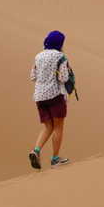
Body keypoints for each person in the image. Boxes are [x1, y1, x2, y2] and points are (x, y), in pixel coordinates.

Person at [29, 30, 72, 169]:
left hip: (39, 96)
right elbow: (63, 78)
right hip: (55, 95)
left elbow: (33, 76)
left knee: (48, 126)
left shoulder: (38, 56)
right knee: (58, 127)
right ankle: (55, 159)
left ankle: (36, 150)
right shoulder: (61, 57)